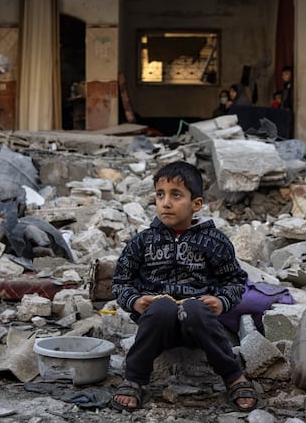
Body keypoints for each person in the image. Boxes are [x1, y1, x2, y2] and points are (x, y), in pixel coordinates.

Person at [110, 161, 259, 412]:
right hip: (158, 324)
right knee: (162, 308)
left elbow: (234, 281)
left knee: (194, 310)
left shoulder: (214, 241)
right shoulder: (143, 241)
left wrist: (221, 302)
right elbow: (121, 281)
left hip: (198, 323)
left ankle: (234, 377)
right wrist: (135, 301)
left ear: (196, 204)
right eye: (160, 195)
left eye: (176, 195)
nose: (166, 203)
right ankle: (134, 378)